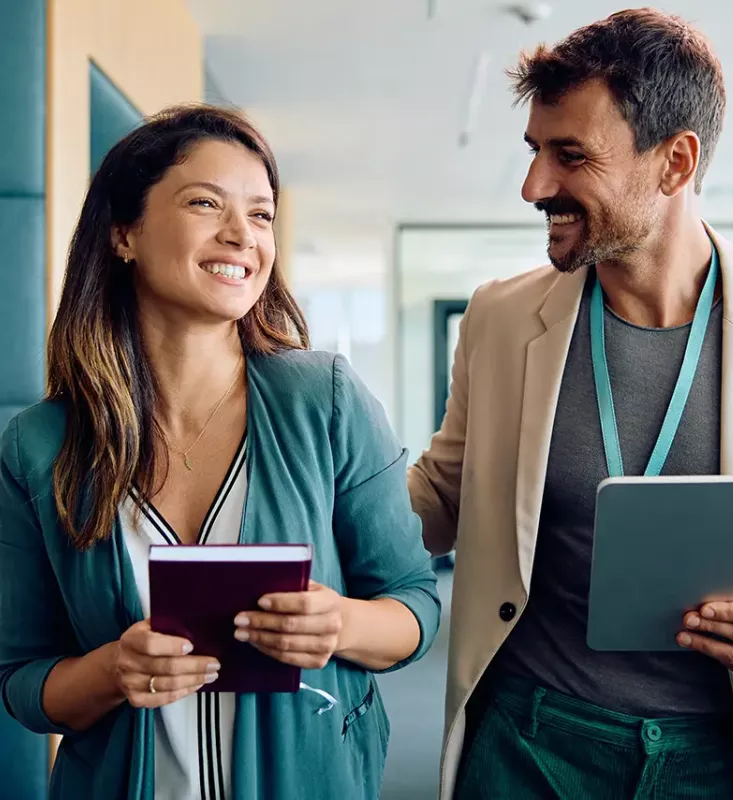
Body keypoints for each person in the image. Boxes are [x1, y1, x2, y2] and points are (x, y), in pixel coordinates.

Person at [408, 9, 733, 800]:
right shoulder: (500, 316)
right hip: (527, 740)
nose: (534, 186)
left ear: (675, 161)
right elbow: (439, 498)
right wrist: (316, 453)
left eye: (570, 155)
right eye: (534, 152)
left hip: (726, 751)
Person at [0, 104, 440, 800]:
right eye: (206, 203)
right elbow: (22, 679)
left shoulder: (324, 399)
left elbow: (415, 604)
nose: (243, 235)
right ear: (124, 232)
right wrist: (113, 669)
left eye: (261, 214)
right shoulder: (38, 445)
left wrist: (342, 624)